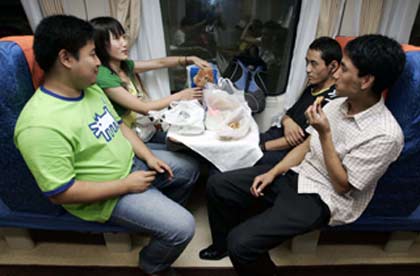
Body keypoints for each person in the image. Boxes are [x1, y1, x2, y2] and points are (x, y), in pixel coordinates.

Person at [199, 34, 405, 276]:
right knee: (218, 184)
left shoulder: (386, 135)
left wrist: (325, 134)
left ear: (366, 80)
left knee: (242, 244)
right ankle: (221, 246)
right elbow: (307, 146)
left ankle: (235, 246)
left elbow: (342, 186)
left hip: (324, 196)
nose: (336, 75)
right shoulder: (337, 103)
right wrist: (274, 172)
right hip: (298, 173)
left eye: (344, 69)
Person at [14, 15, 199, 276]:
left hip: (130, 166)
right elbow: (60, 193)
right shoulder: (39, 125)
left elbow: (119, 125)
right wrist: (126, 185)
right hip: (107, 194)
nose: (99, 62)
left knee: (189, 169)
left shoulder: (89, 88)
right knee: (183, 227)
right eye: (92, 54)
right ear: (66, 59)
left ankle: (156, 216)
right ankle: (152, 265)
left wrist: (148, 156)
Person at [90, 16, 210, 146]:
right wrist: (180, 96)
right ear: (100, 44)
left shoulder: (124, 65)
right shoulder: (103, 75)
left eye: (123, 37)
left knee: (191, 144)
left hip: (143, 131)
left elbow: (159, 62)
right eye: (116, 39)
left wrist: (189, 59)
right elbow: (144, 108)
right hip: (129, 141)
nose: (124, 43)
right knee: (187, 162)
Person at [258, 36, 342, 165]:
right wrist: (288, 121)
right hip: (277, 135)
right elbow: (288, 115)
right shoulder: (312, 88)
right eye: (307, 62)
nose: (308, 69)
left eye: (314, 63)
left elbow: (301, 140)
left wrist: (263, 146)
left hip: (287, 151)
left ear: (333, 66)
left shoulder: (332, 99)